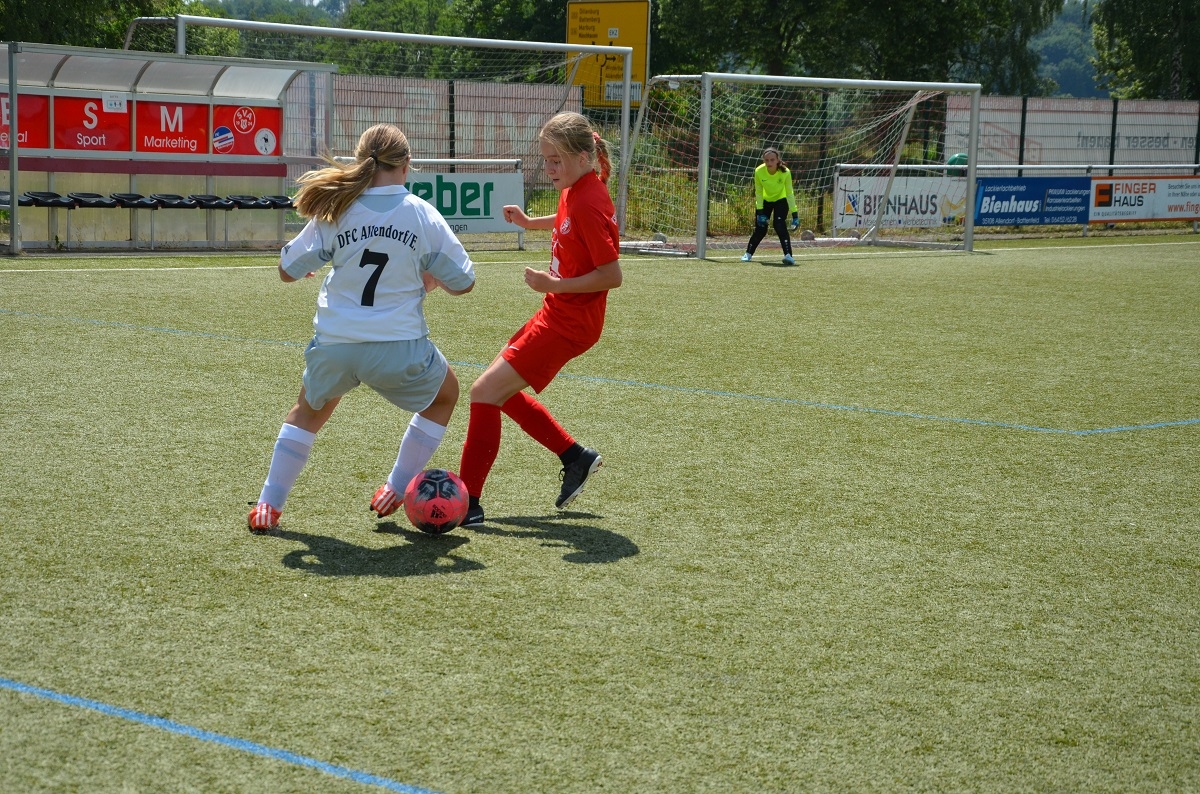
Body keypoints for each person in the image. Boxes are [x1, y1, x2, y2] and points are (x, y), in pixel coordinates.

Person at [247, 123, 476, 533]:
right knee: (445, 396)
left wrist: (315, 264)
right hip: (399, 346)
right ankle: (396, 487)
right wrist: (428, 277)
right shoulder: (421, 213)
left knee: (307, 413)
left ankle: (268, 505)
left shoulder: (337, 208)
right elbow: (464, 282)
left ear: (359, 162)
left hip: (337, 343)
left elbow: (286, 270)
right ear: (407, 165)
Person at [456, 111, 622, 527]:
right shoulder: (579, 186)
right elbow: (567, 219)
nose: (548, 168)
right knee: (496, 389)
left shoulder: (588, 200)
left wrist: (554, 284)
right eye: (545, 159)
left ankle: (468, 502)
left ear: (582, 157)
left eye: (555, 160)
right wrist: (531, 223)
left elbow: (611, 275)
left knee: (483, 392)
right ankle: (574, 456)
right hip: (556, 313)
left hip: (569, 324)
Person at [741, 147, 800, 265]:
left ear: (778, 160)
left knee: (779, 225)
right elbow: (758, 192)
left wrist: (795, 215)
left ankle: (788, 256)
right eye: (767, 160)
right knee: (761, 229)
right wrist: (760, 212)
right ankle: (748, 253)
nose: (769, 163)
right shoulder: (759, 171)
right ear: (763, 160)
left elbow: (789, 193)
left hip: (781, 200)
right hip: (765, 201)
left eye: (772, 160)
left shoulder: (785, 172)